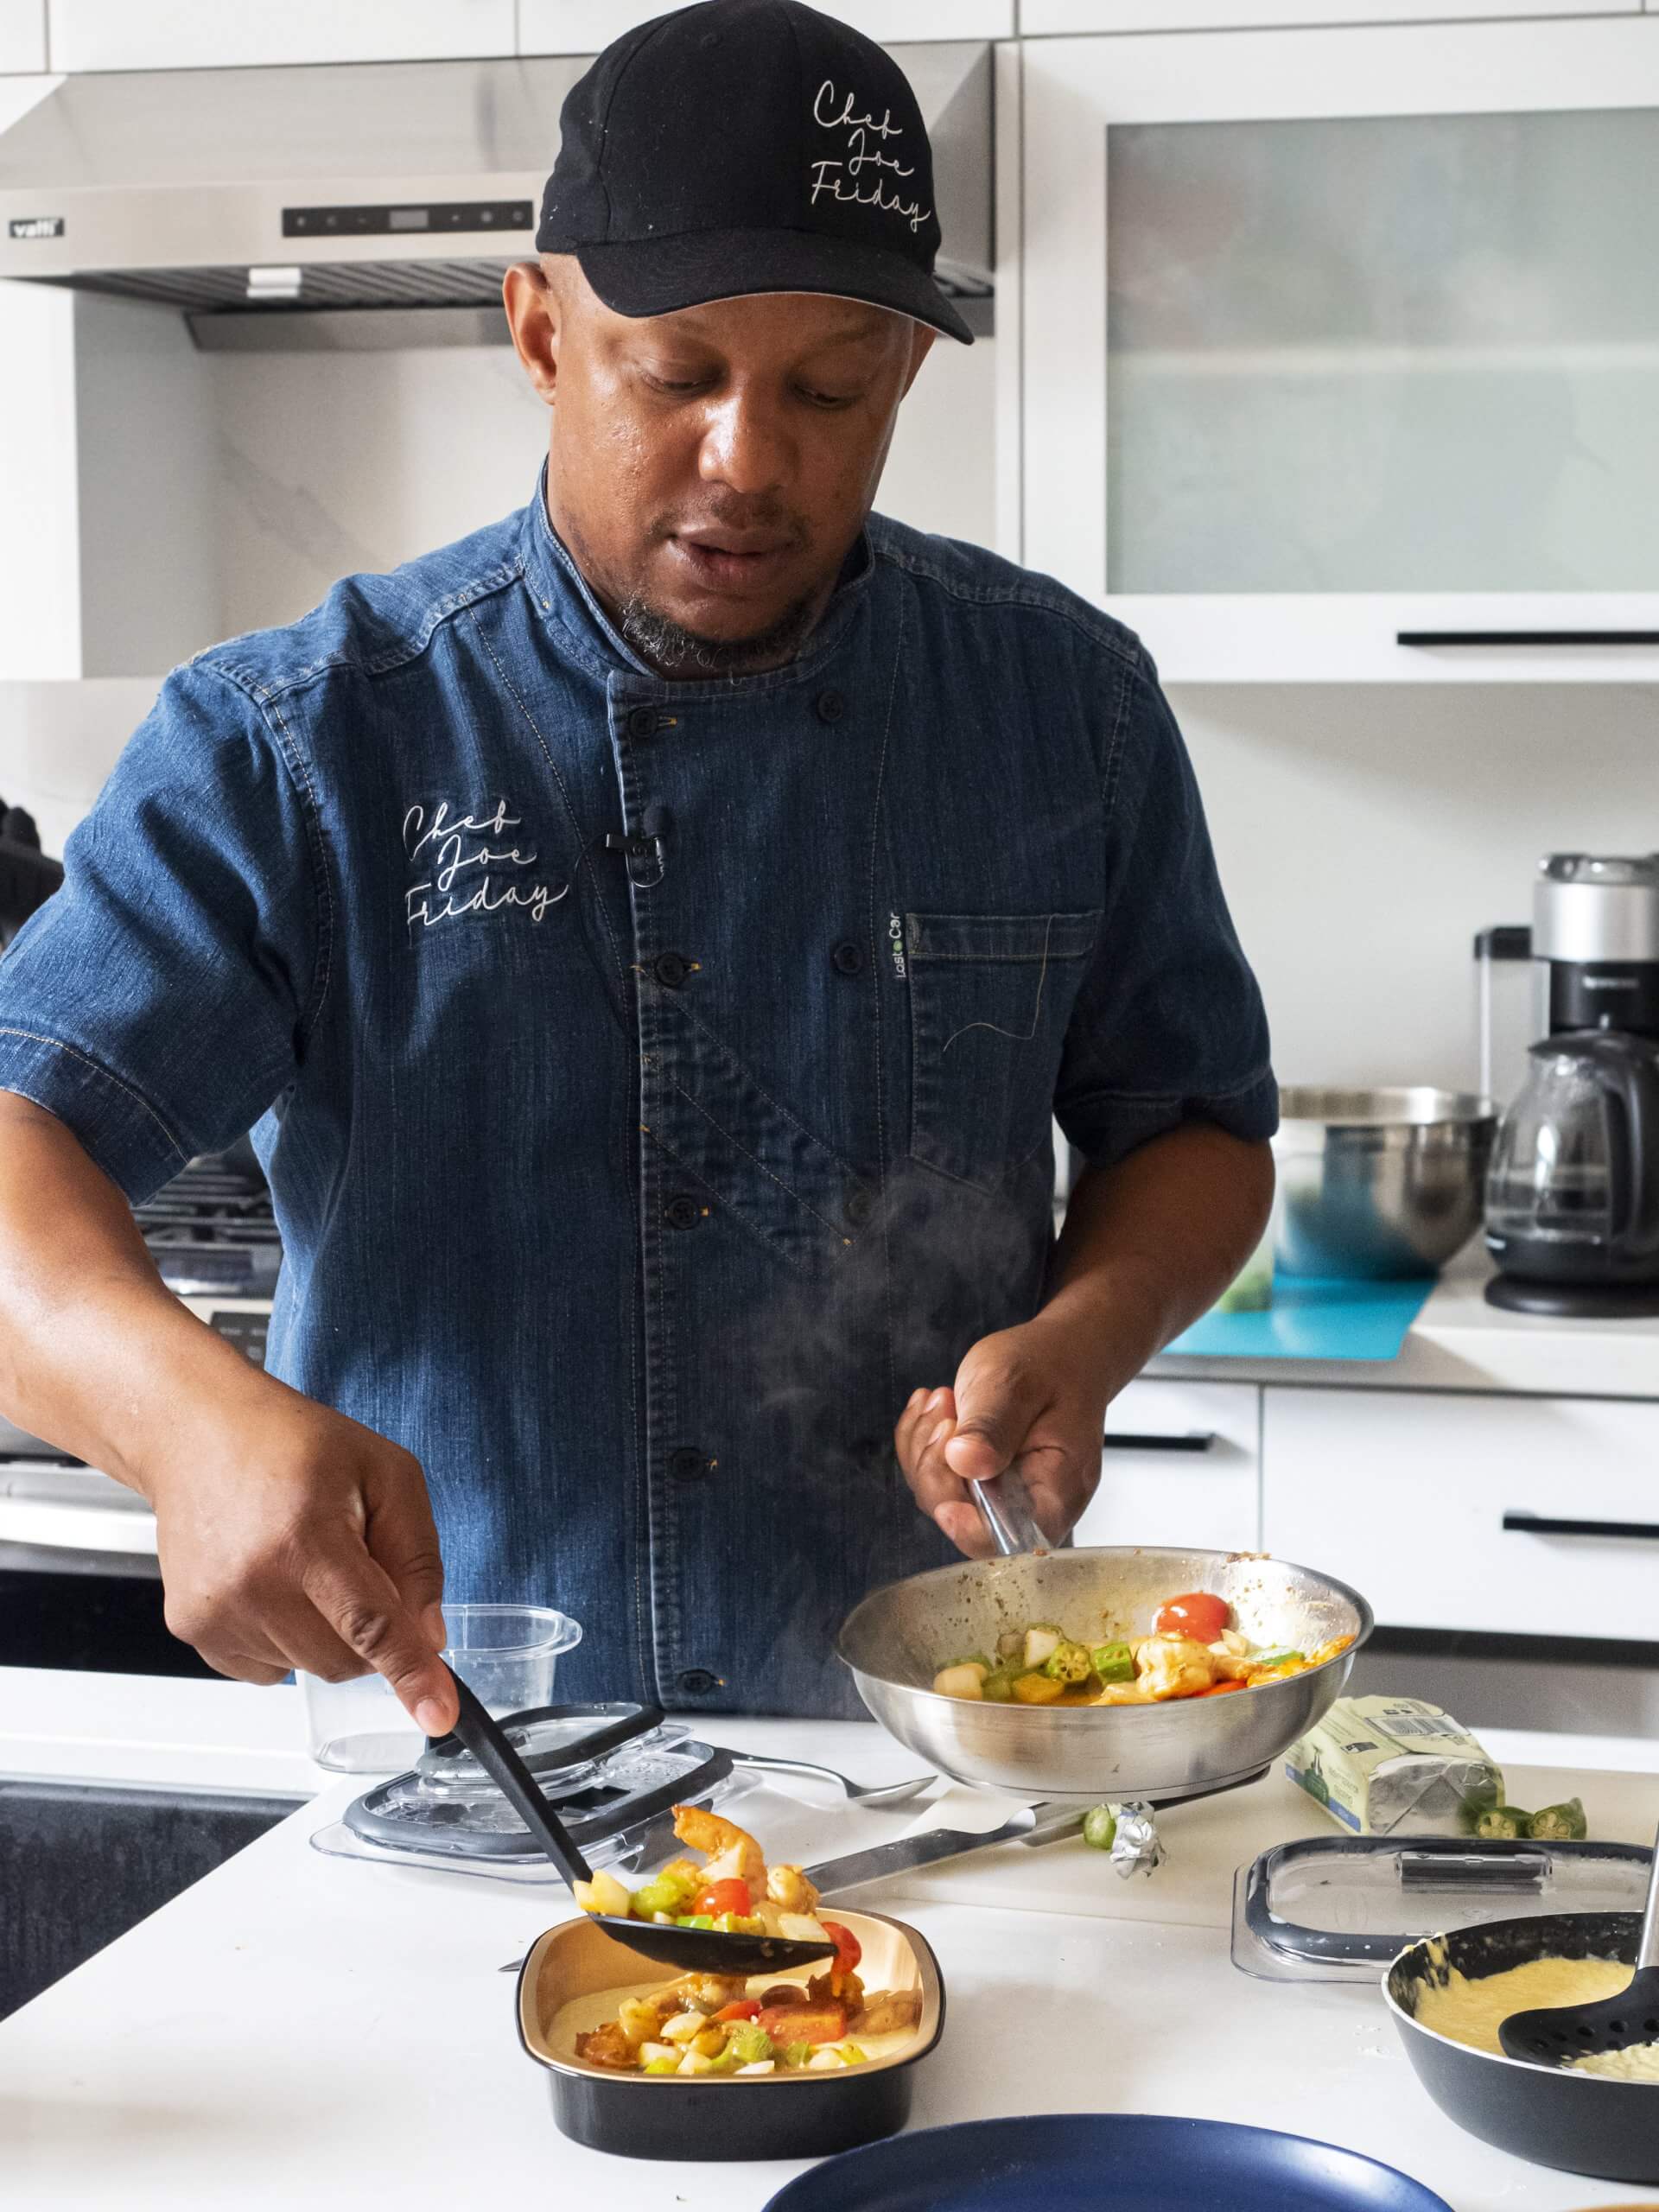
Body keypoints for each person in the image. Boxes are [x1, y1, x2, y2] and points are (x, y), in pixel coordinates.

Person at [0, 0, 1274, 1733]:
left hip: (931, 1740)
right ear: (541, 331)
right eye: (676, 377)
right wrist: (184, 1421)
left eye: (828, 387)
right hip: (468, 1753)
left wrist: (1085, 1337)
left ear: (906, 368)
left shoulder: (1066, 706)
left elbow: (1194, 1129)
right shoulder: (304, 738)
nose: (750, 459)